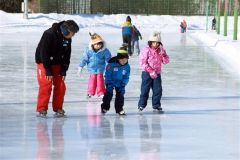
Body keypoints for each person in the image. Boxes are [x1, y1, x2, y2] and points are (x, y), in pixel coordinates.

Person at [35, 20, 79, 117]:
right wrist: (47, 69)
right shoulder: (48, 34)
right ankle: (42, 108)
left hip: (57, 64)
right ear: (65, 30)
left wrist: (64, 70)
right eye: (72, 33)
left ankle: (58, 108)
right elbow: (44, 52)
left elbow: (67, 55)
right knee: (46, 85)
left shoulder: (67, 38)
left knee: (61, 86)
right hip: (44, 63)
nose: (73, 36)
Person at [138, 31, 169, 113]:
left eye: (157, 43)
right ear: (150, 42)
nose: (156, 44)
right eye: (154, 42)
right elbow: (142, 63)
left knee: (158, 90)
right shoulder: (146, 50)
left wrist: (164, 54)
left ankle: (156, 105)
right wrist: (150, 71)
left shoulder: (161, 50)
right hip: (147, 73)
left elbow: (166, 61)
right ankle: (141, 105)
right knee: (145, 90)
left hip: (157, 73)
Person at [78, 32, 112, 98]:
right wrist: (80, 66)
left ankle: (101, 92)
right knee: (92, 79)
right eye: (97, 44)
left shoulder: (104, 50)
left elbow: (108, 58)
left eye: (100, 44)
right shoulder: (88, 50)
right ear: (93, 44)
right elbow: (84, 59)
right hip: (92, 68)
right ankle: (90, 92)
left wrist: (110, 65)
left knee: (100, 79)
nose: (98, 46)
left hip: (100, 68)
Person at [101, 46, 130, 115]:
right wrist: (108, 83)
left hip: (120, 83)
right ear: (118, 59)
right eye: (122, 59)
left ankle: (119, 109)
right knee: (108, 94)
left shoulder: (127, 66)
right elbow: (107, 75)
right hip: (110, 82)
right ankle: (105, 107)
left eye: (125, 59)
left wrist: (123, 83)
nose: (123, 61)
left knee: (120, 95)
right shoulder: (111, 65)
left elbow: (126, 76)